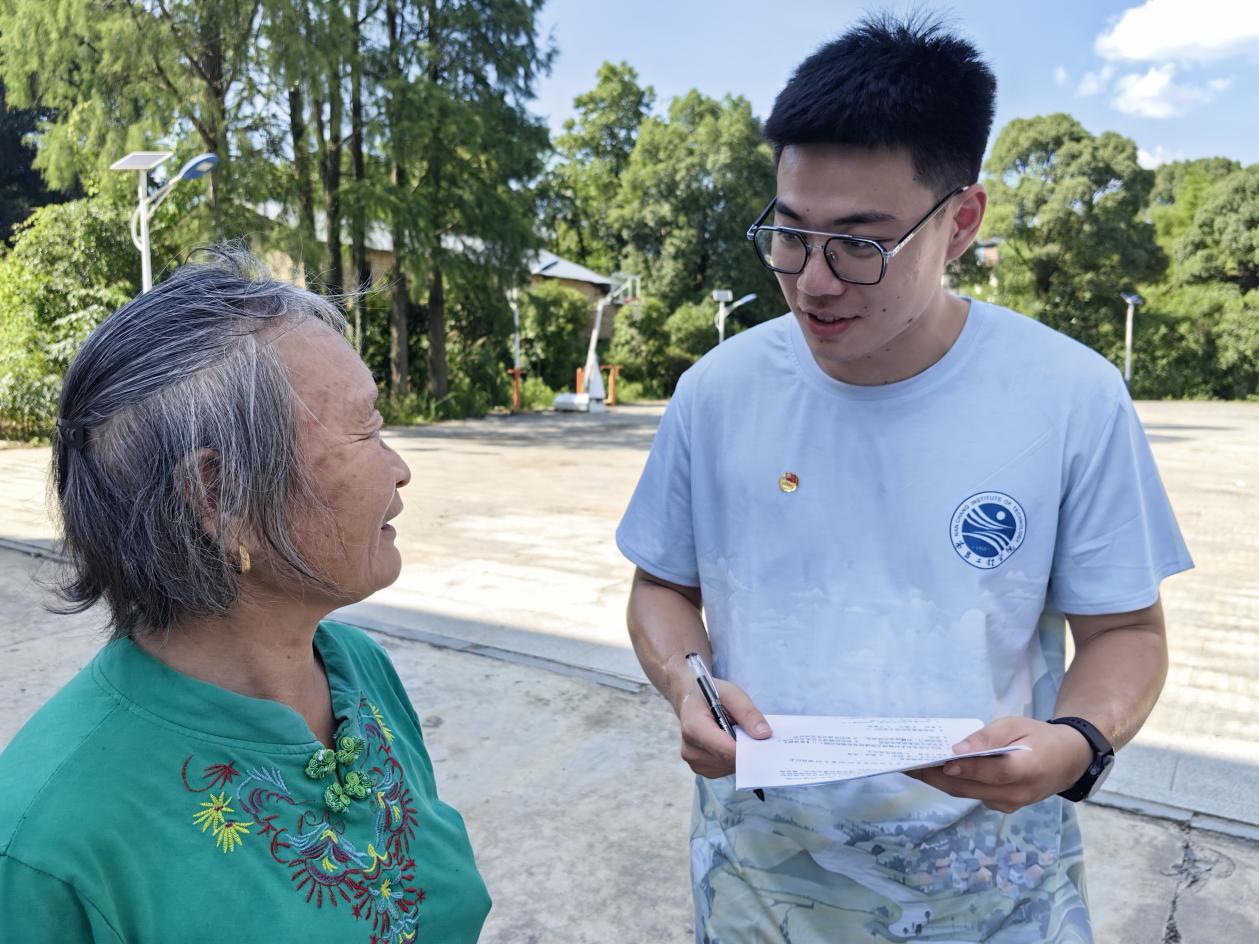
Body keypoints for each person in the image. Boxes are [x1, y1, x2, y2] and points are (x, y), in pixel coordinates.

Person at [616, 14, 1192, 943]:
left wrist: (1078, 744)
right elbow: (662, 587)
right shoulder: (718, 390)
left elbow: (1126, 630)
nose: (812, 281)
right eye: (789, 234)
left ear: (961, 220)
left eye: (858, 242)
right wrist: (688, 684)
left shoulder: (1067, 395)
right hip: (760, 886)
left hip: (991, 890)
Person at [0, 250, 490, 942]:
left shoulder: (358, 672)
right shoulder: (50, 843)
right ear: (218, 494)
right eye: (365, 427)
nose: (400, 469)